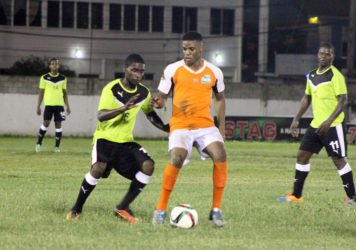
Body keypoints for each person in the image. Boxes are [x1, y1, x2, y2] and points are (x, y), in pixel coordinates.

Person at [66, 54, 169, 223]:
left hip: (125, 142)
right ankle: (76, 208)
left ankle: (122, 207)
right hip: (105, 139)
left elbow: (149, 113)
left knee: (148, 165)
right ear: (125, 69)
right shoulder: (112, 88)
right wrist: (123, 108)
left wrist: (166, 128)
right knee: (98, 168)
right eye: (134, 70)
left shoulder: (143, 92)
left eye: (141, 72)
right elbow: (100, 115)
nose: (138, 74)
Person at [151, 31, 228, 227]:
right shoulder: (172, 70)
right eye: (184, 49)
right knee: (176, 157)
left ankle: (216, 209)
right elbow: (162, 97)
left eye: (191, 49)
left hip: (205, 125)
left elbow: (219, 99)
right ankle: (160, 209)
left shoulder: (214, 72)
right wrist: (157, 103)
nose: (187, 53)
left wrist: (221, 128)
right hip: (180, 124)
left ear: (201, 49)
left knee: (220, 154)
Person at [277, 42, 356, 205]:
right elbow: (306, 98)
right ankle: (296, 195)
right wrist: (296, 118)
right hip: (316, 125)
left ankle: (352, 198)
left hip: (333, 125)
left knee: (339, 160)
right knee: (302, 156)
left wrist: (329, 121)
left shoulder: (336, 75)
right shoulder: (312, 75)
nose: (323, 56)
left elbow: (343, 100)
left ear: (332, 57)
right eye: (321, 53)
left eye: (327, 54)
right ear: (317, 55)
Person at [36, 58, 71, 152]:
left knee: (58, 124)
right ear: (50, 66)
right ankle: (39, 143)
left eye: (56, 64)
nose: (54, 65)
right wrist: (38, 106)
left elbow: (65, 93)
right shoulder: (44, 77)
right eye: (52, 64)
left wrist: (68, 106)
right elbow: (41, 93)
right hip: (49, 105)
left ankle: (57, 147)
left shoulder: (63, 78)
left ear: (58, 66)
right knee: (46, 122)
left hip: (59, 106)